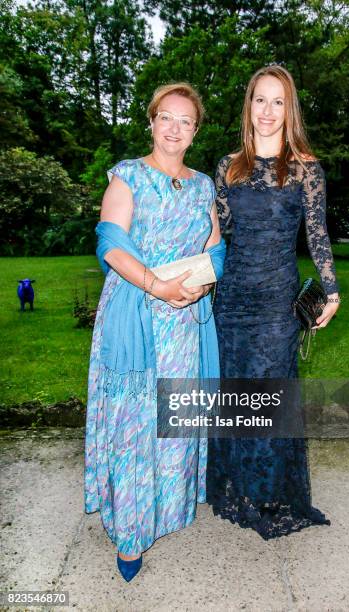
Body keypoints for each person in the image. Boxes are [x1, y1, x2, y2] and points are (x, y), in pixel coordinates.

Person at [84, 82, 225, 581]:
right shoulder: (128, 176)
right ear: (151, 121)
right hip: (136, 315)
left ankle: (165, 510)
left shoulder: (205, 185)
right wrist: (157, 285)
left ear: (195, 131)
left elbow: (215, 245)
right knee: (132, 424)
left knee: (173, 419)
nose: (174, 127)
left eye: (185, 121)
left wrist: (203, 284)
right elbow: (110, 244)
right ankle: (129, 534)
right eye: (166, 116)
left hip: (185, 323)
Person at [206, 64, 340, 539]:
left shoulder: (306, 168)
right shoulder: (229, 166)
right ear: (249, 106)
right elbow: (217, 237)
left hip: (277, 303)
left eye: (277, 101)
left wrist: (332, 288)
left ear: (289, 109)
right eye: (260, 100)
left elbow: (317, 234)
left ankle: (268, 491)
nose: (267, 110)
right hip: (232, 301)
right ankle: (239, 484)